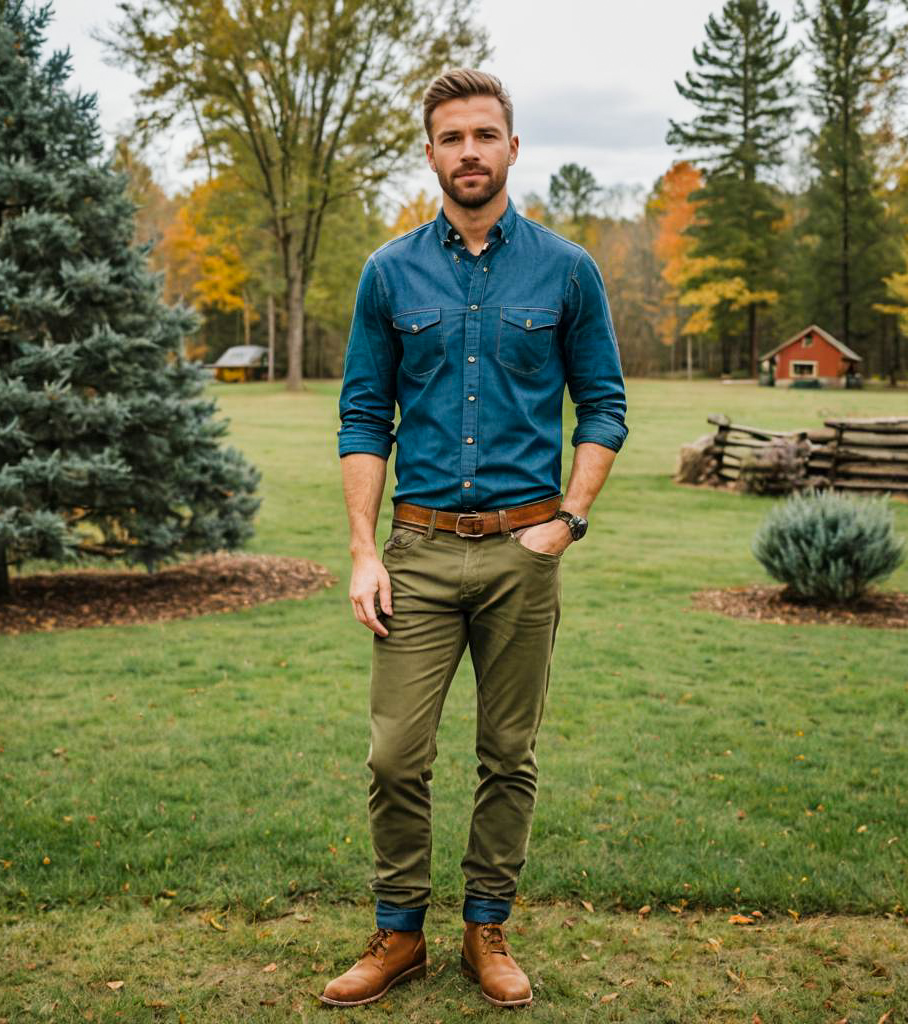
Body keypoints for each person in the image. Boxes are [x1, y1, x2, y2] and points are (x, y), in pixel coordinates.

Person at [325, 68, 628, 1009]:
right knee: (394, 755)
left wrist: (567, 522)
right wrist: (365, 551)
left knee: (509, 752)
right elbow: (364, 413)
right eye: (451, 137)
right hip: (414, 553)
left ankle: (486, 930)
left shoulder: (567, 269)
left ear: (511, 146)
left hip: (520, 554)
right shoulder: (389, 272)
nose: (469, 152)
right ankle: (399, 933)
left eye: (484, 135)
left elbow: (605, 405)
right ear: (430, 152)